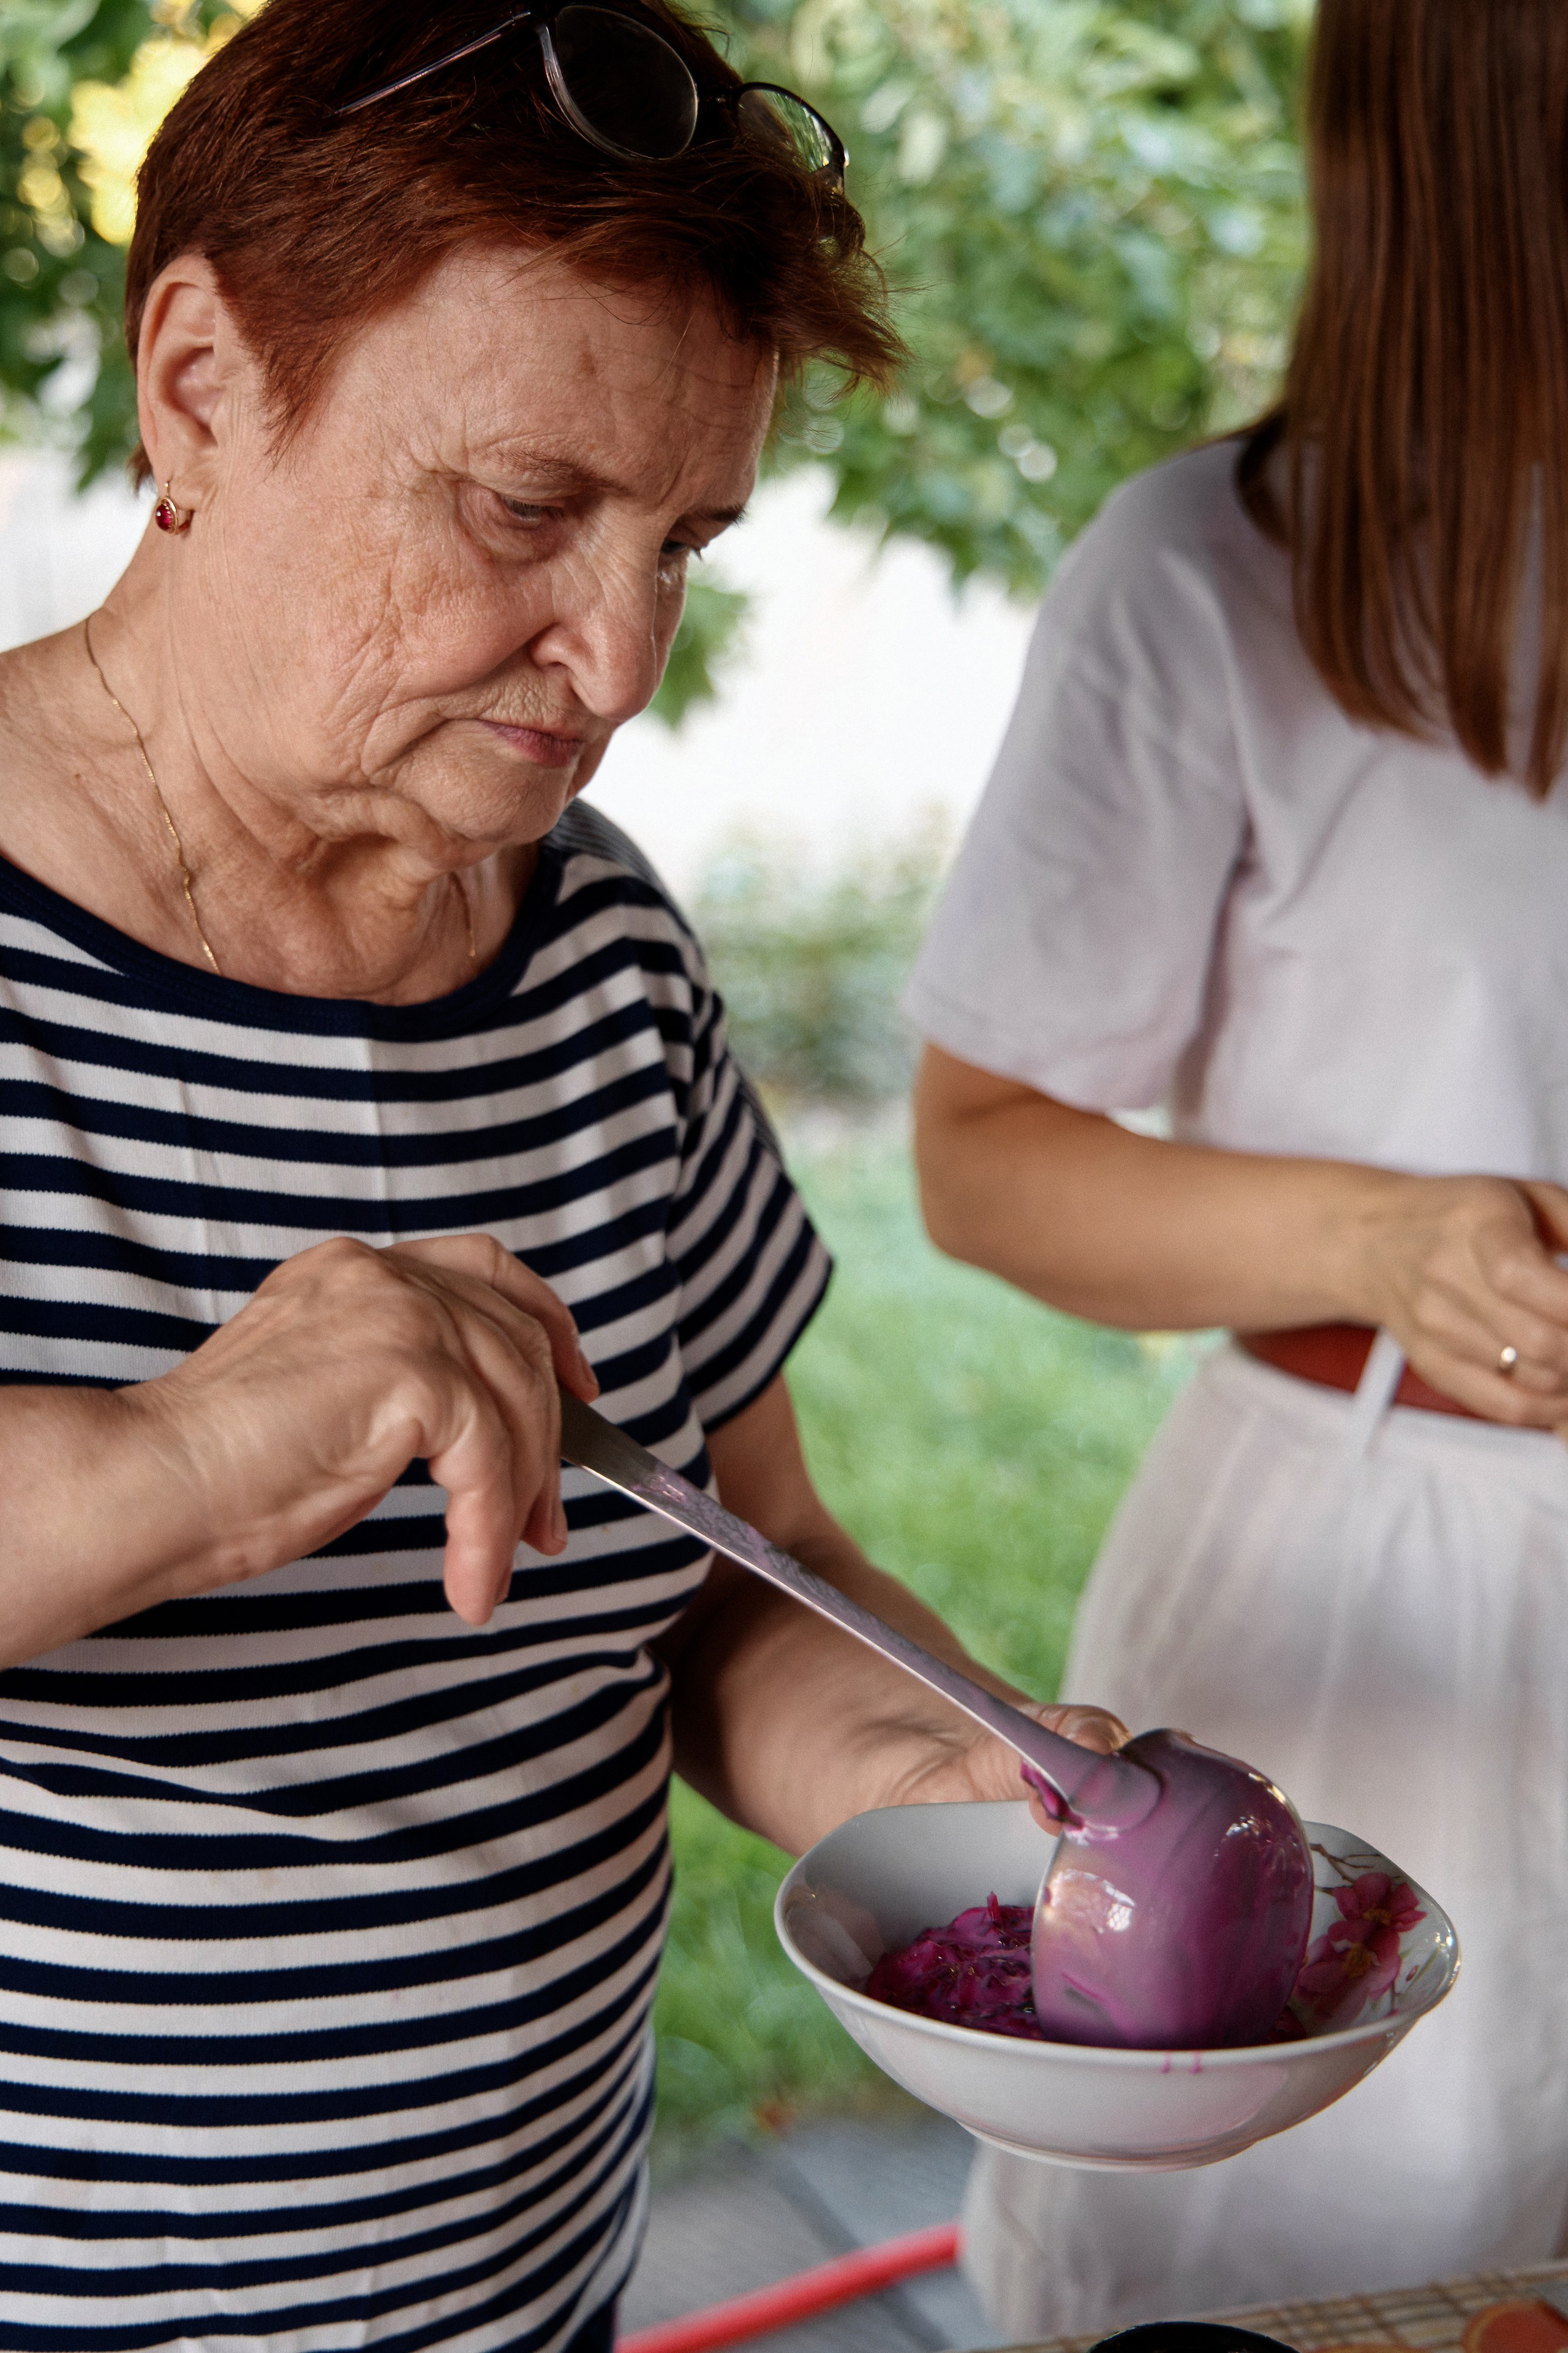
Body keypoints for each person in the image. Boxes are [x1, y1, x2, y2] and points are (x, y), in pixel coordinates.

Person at [0, 5, 1123, 2344]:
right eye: (527, 508)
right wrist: (183, 1453)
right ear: (198, 387)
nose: (618, 659)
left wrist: (944, 1771)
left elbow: (740, 1571)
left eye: (682, 540)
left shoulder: (599, 947)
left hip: (523, 2289)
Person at [905, 0, 1568, 2331]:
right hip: (1378, 1594)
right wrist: (1386, 1237)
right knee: (1317, 2272)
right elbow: (982, 1160)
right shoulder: (1210, 573)